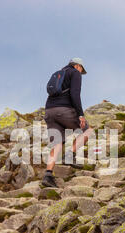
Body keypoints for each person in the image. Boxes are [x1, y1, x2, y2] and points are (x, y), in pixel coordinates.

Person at [41, 58, 94, 188]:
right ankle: (70, 155)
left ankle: (48, 175)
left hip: (49, 112)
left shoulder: (59, 73)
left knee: (56, 145)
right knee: (88, 131)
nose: (81, 73)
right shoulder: (74, 73)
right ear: (78, 66)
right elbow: (75, 94)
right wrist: (80, 114)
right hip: (63, 110)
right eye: (81, 70)